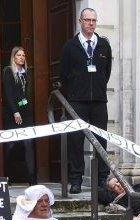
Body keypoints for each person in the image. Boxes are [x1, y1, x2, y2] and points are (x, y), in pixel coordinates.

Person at [60, 8, 112, 196]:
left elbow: (106, 72)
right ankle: (75, 180)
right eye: (87, 20)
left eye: (94, 20)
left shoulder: (104, 45)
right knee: (75, 141)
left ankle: (100, 181)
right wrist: (76, 91)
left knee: (101, 141)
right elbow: (64, 75)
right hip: (77, 101)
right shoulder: (70, 46)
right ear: (80, 21)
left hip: (98, 101)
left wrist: (96, 88)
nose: (91, 23)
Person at [1, 46, 36, 184]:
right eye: (19, 55)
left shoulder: (26, 73)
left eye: (23, 55)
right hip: (12, 114)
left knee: (28, 144)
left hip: (26, 114)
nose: (22, 57)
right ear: (13, 57)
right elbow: (8, 93)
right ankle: (7, 176)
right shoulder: (8, 71)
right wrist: (15, 111)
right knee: (11, 145)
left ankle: (32, 178)